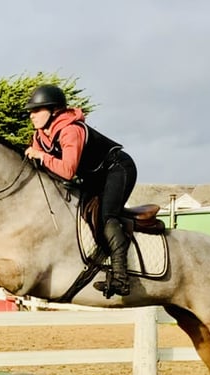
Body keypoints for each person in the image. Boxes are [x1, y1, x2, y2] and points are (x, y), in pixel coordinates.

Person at [24, 84, 137, 298]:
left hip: (117, 169)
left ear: (54, 111)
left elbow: (66, 171)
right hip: (94, 176)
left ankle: (121, 278)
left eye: (37, 110)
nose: (32, 115)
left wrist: (41, 157)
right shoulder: (40, 136)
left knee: (106, 216)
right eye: (31, 111)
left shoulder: (70, 130)